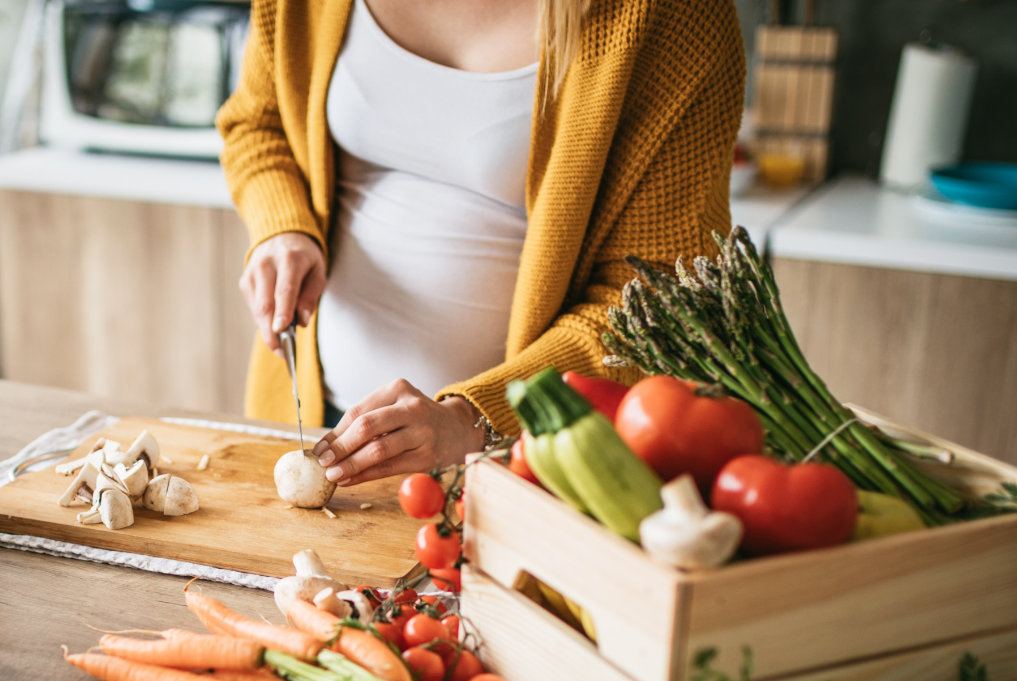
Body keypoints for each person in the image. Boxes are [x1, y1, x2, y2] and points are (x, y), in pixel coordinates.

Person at [217, 0, 745, 487]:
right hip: (312, 420)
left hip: (527, 459)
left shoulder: (668, 15)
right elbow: (257, 124)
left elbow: (658, 302)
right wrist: (282, 225)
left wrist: (475, 418)